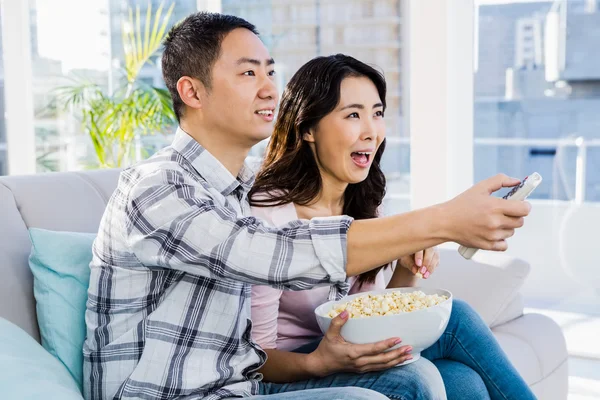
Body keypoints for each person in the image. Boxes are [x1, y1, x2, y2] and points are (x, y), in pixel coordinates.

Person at [83, 12, 532, 400]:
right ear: (192, 92)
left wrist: (411, 247)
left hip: (237, 383)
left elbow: (354, 303)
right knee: (411, 380)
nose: (269, 89)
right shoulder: (157, 188)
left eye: (270, 72)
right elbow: (271, 254)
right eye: (247, 74)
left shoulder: (238, 185)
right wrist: (442, 221)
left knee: (461, 380)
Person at [249, 54, 537, 400]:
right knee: (454, 321)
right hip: (290, 369)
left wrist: (406, 269)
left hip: (348, 351)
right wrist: (318, 362)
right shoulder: (269, 213)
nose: (372, 131)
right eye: (353, 114)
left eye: (378, 113)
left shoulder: (365, 202)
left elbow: (370, 314)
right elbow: (256, 359)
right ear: (308, 128)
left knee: (463, 382)